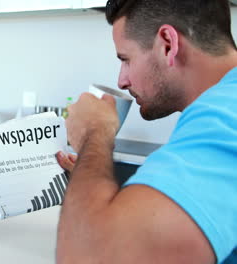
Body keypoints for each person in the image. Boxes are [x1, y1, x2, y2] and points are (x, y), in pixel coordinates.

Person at [56, 0, 237, 263]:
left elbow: (90, 256)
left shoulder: (224, 114)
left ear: (167, 43)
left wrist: (94, 135)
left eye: (125, 59)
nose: (122, 80)